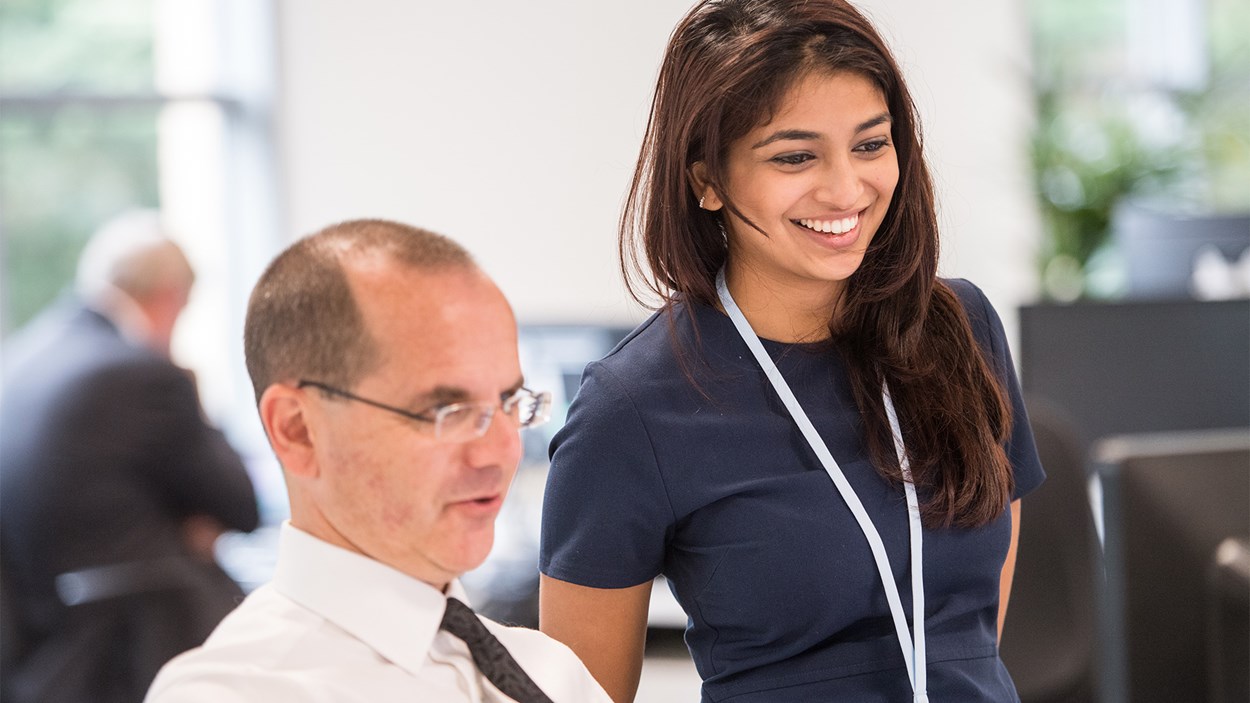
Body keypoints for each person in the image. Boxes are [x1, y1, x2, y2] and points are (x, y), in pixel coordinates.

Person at [537, 1, 1046, 701]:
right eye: (795, 156)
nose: (846, 188)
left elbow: (973, 631)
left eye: (871, 144)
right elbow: (580, 692)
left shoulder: (959, 327)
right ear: (707, 180)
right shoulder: (631, 407)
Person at [144, 219, 611, 703]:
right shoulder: (235, 692)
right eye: (444, 411)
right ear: (298, 431)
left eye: (510, 401)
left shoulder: (551, 670)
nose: (498, 451)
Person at [0, 210, 260, 703]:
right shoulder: (140, 374)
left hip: (40, 649)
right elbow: (242, 508)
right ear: (170, 297)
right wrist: (189, 384)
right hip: (128, 644)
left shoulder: (21, 360)